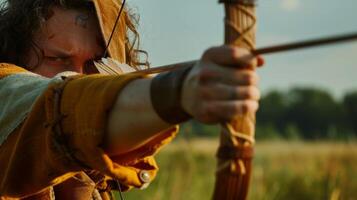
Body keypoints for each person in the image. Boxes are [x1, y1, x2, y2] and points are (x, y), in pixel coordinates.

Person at [0, 0, 263, 199]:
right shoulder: (8, 92)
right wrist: (180, 92)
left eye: (96, 62)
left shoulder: (95, 174)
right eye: (57, 59)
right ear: (16, 53)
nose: (81, 76)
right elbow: (62, 107)